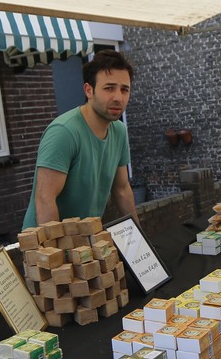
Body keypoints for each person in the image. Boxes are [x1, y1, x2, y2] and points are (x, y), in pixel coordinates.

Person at [22, 50, 139, 228]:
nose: (118, 98)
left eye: (124, 90)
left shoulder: (119, 131)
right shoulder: (64, 132)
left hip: (86, 236)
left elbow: (122, 190)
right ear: (88, 90)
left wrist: (140, 238)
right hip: (45, 240)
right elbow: (45, 199)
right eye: (109, 88)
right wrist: (58, 246)